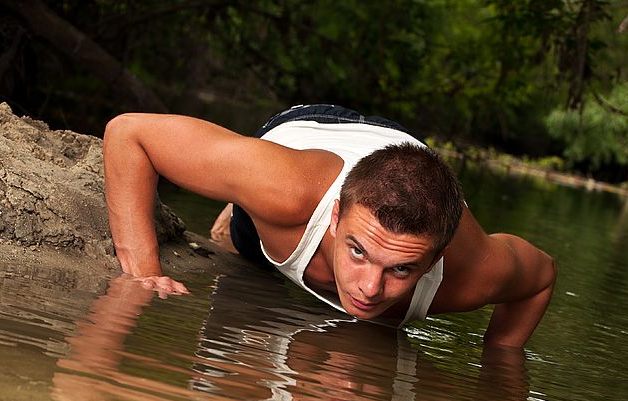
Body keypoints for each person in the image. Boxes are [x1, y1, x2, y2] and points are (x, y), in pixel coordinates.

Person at [103, 104, 556, 348]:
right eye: (359, 251)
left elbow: (541, 278)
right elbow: (129, 133)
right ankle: (237, 214)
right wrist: (142, 275)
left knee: (374, 338)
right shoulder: (285, 190)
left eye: (400, 269)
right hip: (305, 137)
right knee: (245, 245)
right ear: (336, 218)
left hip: (408, 155)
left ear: (435, 259)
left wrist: (499, 361)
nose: (370, 288)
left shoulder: (472, 272)